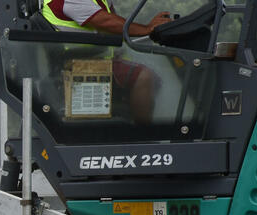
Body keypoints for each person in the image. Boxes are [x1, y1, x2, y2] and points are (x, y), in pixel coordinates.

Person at [41, 0, 173, 123]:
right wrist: (147, 29)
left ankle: (129, 126)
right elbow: (105, 21)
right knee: (143, 76)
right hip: (78, 65)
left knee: (152, 68)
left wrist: (150, 30)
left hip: (94, 60)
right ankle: (143, 137)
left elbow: (113, 26)